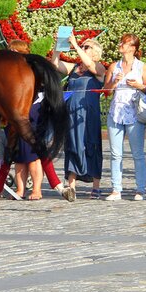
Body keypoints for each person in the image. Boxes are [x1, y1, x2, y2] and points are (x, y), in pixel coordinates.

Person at [51, 33, 106, 200]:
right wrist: (57, 46)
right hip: (72, 112)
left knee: (91, 143)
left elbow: (90, 65)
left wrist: (74, 44)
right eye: (83, 46)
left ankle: (96, 185)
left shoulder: (99, 67)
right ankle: (71, 184)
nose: (83, 48)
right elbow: (55, 64)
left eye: (86, 47)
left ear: (95, 52)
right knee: (73, 144)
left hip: (89, 113)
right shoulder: (75, 68)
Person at [103, 34, 146, 201]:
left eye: (124, 43)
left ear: (133, 48)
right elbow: (106, 92)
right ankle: (116, 189)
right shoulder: (113, 66)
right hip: (115, 112)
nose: (120, 45)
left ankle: (140, 189)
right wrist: (113, 83)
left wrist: (139, 86)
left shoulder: (141, 67)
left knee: (137, 153)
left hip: (134, 112)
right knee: (116, 154)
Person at [8, 39, 43, 201]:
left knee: (32, 156)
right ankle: (20, 188)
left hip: (32, 112)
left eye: (13, 51)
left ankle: (37, 189)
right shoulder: (8, 70)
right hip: (14, 114)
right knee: (19, 156)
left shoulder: (32, 68)